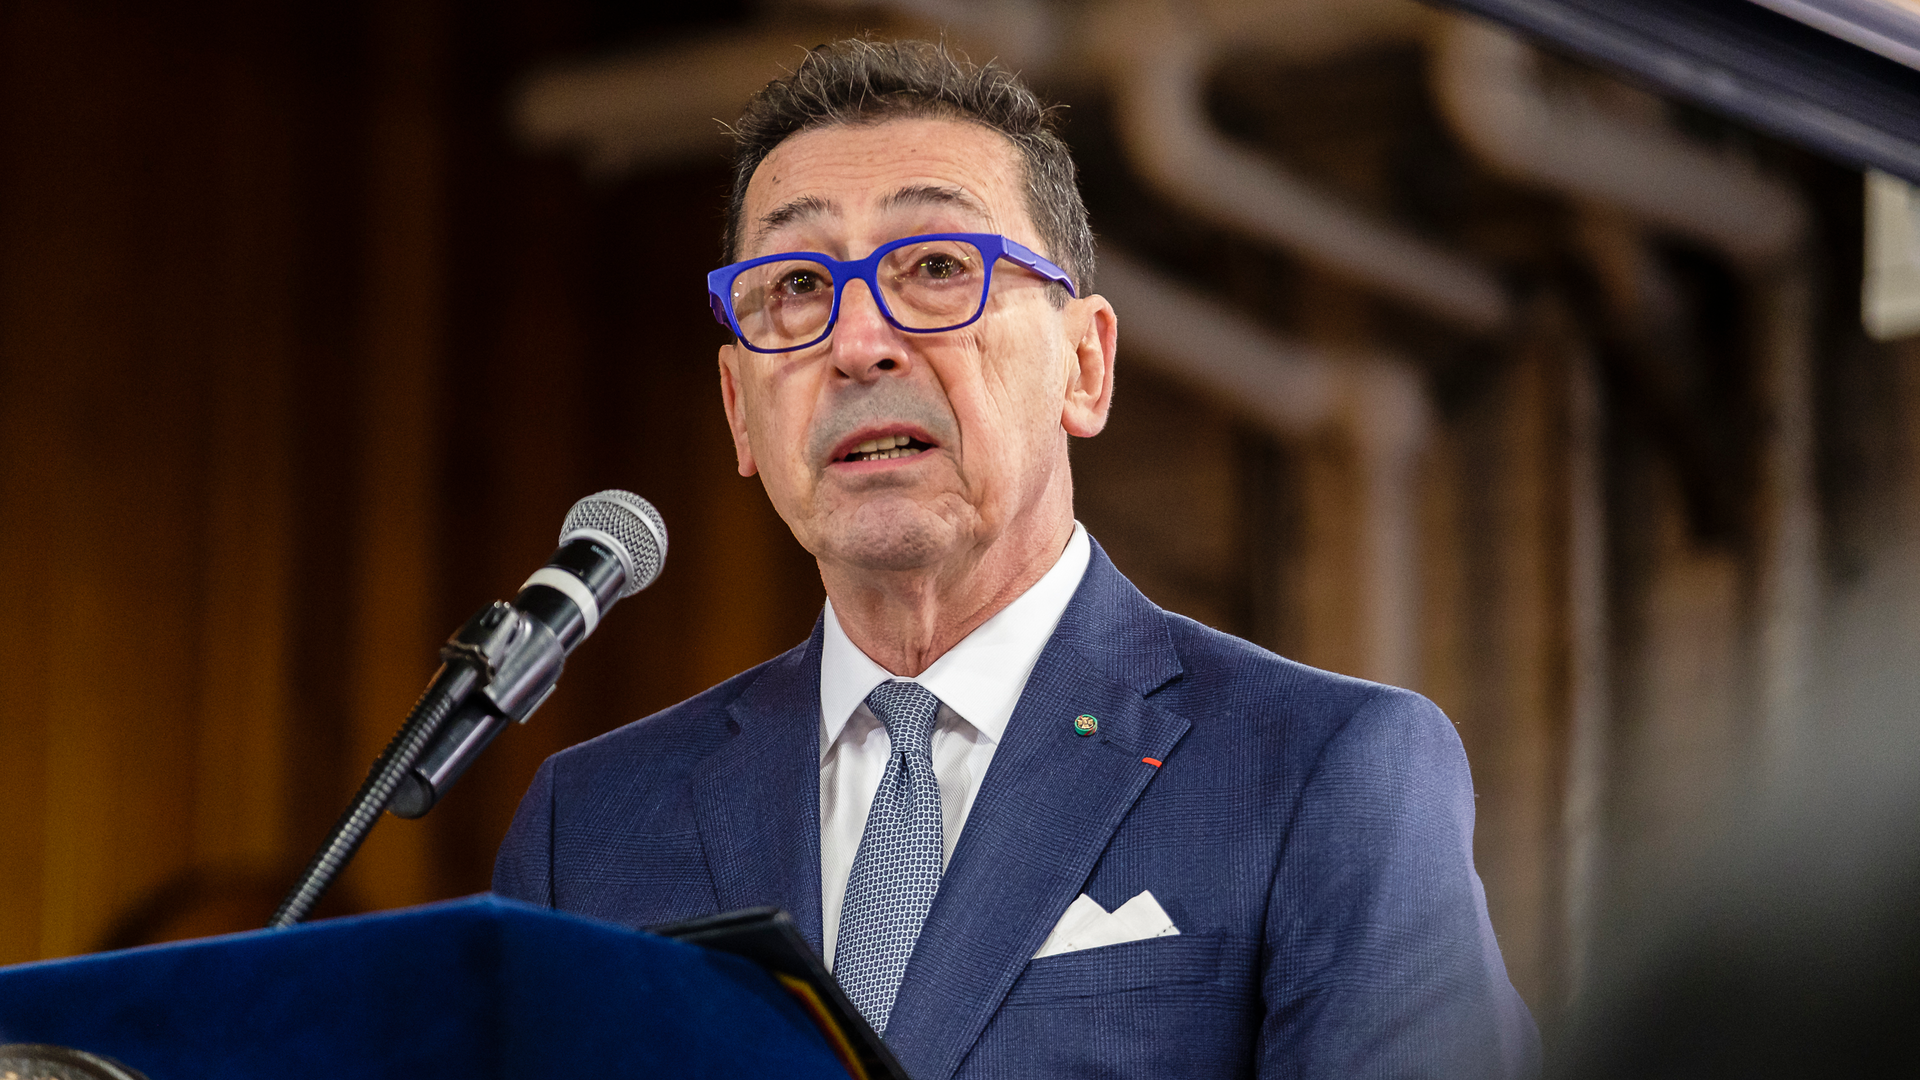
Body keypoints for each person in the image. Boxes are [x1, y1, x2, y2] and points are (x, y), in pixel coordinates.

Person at [494, 37, 1538, 1079]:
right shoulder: (588, 833)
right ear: (739, 410)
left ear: (1084, 367)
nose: (857, 344)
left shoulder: (1327, 772)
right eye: (800, 284)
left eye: (938, 268)